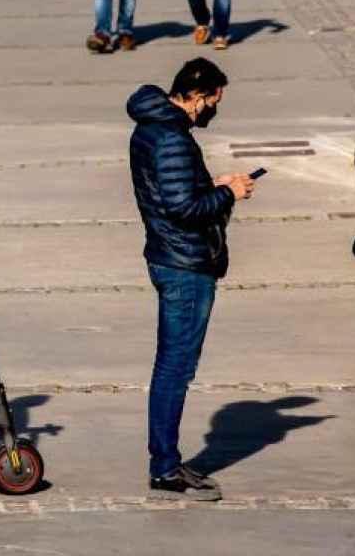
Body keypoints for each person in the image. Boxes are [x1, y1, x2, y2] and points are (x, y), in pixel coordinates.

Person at [128, 57, 251, 501]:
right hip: (184, 264)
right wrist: (227, 193)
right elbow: (183, 209)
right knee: (175, 368)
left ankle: (167, 461)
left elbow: (171, 193)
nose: (215, 108)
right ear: (197, 98)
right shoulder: (173, 138)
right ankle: (164, 466)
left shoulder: (151, 127)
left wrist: (211, 183)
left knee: (173, 365)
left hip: (168, 256)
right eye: (215, 100)